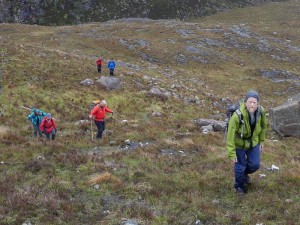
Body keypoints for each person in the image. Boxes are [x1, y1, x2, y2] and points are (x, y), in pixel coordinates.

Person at [226, 90, 267, 195]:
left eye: (254, 102)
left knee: (255, 164)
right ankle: (239, 187)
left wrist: (261, 141)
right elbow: (230, 136)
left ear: (257, 104)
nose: (252, 105)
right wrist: (231, 153)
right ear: (245, 102)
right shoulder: (237, 116)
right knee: (240, 166)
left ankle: (243, 175)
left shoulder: (261, 111)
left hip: (253, 142)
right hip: (239, 144)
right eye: (250, 102)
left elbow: (263, 126)